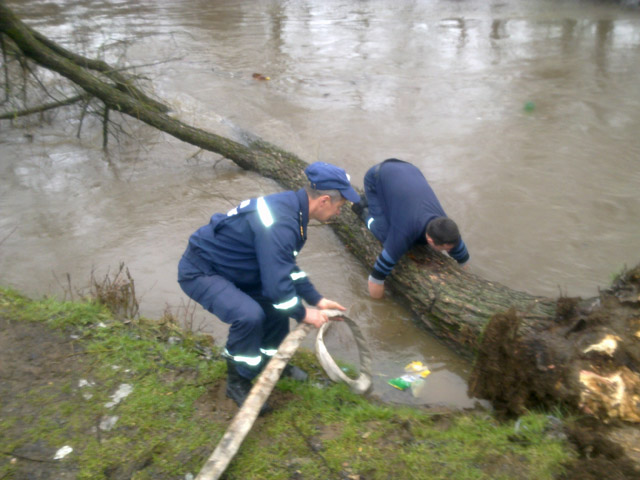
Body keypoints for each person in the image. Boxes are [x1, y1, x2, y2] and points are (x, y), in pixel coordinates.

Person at [178, 162, 360, 411]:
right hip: (202, 270)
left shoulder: (293, 210)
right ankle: (238, 380)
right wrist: (303, 313)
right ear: (324, 200)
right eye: (340, 206)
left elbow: (284, 268)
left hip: (236, 268)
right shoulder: (283, 223)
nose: (340, 212)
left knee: (275, 308)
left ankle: (269, 361)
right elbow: (277, 288)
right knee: (249, 315)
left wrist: (316, 299)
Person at [353, 158, 470, 299]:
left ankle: (382, 201)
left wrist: (464, 275)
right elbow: (375, 279)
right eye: (444, 249)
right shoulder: (403, 234)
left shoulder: (445, 227)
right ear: (430, 239)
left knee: (399, 219)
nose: (448, 251)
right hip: (377, 175)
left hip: (408, 170)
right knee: (384, 234)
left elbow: (462, 260)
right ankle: (364, 209)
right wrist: (379, 310)